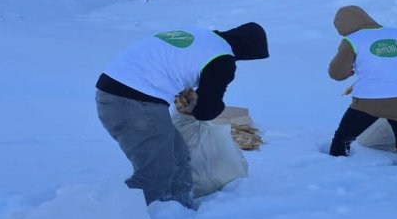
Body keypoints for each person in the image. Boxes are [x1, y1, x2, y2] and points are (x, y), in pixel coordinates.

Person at [96, 23, 268, 208]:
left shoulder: (203, 37)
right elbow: (206, 110)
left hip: (116, 91)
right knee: (156, 173)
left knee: (178, 156)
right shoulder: (223, 59)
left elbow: (169, 63)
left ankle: (177, 209)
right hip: (134, 103)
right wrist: (198, 106)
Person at [327, 6, 397, 164]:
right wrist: (396, 74)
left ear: (345, 24)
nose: (338, 32)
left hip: (368, 101)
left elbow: (336, 73)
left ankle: (334, 166)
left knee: (343, 138)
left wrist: (349, 72)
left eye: (338, 27)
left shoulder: (352, 40)